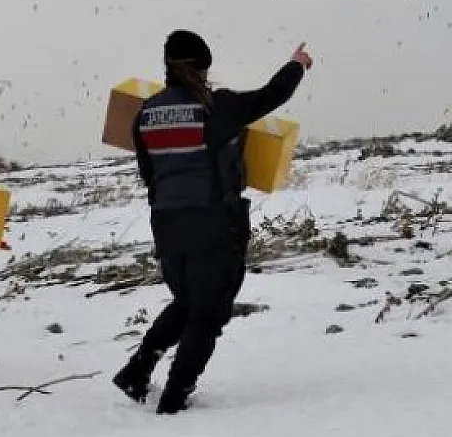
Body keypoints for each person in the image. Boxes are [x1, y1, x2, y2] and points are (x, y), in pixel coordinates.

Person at [112, 30, 312, 414]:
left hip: (168, 226)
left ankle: (138, 369)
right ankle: (174, 398)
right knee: (207, 314)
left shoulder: (146, 114)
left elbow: (147, 172)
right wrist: (297, 63)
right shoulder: (218, 107)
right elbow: (274, 93)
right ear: (205, 66)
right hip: (214, 224)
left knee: (187, 302)